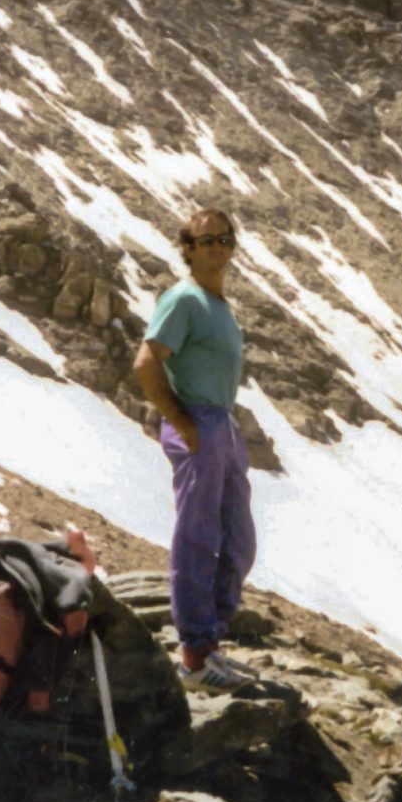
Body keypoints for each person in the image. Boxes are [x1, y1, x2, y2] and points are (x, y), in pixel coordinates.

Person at [133, 207, 257, 691]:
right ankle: (193, 656)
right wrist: (182, 422)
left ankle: (209, 646)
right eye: (206, 241)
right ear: (187, 249)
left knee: (238, 540)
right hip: (199, 421)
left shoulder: (218, 305)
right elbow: (147, 362)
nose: (217, 248)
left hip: (221, 423)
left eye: (224, 240)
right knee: (198, 535)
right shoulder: (183, 299)